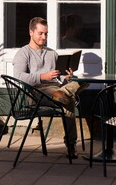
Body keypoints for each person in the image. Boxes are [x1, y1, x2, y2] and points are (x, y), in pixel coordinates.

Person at [12, 17, 88, 159]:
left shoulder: (52, 53)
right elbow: (19, 77)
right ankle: (71, 145)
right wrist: (42, 77)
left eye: (46, 34)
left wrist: (67, 78)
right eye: (40, 33)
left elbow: (57, 78)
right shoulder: (23, 53)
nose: (44, 37)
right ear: (31, 32)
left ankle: (66, 92)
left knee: (83, 81)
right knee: (68, 100)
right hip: (37, 92)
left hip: (56, 90)